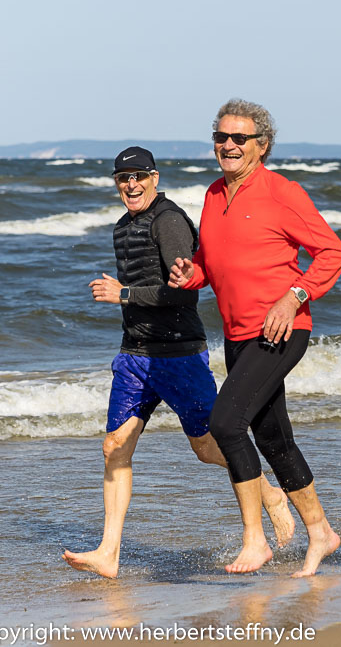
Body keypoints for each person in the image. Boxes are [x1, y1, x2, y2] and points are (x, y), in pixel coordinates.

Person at [63, 147, 294, 578]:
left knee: (208, 448)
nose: (130, 185)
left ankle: (271, 494)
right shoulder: (122, 228)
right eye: (122, 179)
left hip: (178, 356)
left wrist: (124, 294)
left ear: (153, 177)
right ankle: (108, 553)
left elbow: (187, 292)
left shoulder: (169, 222)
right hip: (134, 355)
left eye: (138, 177)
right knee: (114, 447)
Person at [169, 99, 341, 577]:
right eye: (221, 137)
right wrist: (191, 274)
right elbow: (214, 263)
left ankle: (255, 541)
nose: (228, 145)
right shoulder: (212, 194)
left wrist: (294, 297)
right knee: (272, 437)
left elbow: (331, 252)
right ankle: (322, 532)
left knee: (226, 424)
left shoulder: (282, 192)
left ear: (261, 146)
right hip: (237, 333)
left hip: (281, 328)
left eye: (239, 138)